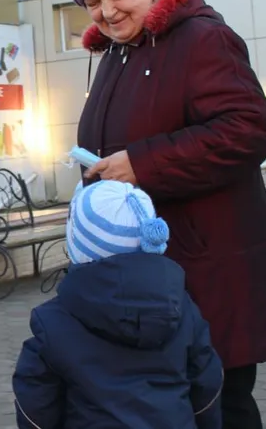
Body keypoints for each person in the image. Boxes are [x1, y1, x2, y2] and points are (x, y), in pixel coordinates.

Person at [68, 0, 266, 429]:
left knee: (220, 405)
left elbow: (247, 130)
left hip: (208, 268)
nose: (106, 12)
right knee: (170, 407)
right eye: (92, 2)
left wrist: (142, 165)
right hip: (152, 271)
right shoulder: (118, 51)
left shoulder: (202, 38)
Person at [13, 180, 223, 428]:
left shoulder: (52, 322)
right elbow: (207, 386)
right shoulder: (181, 308)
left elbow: (34, 408)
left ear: (78, 246)